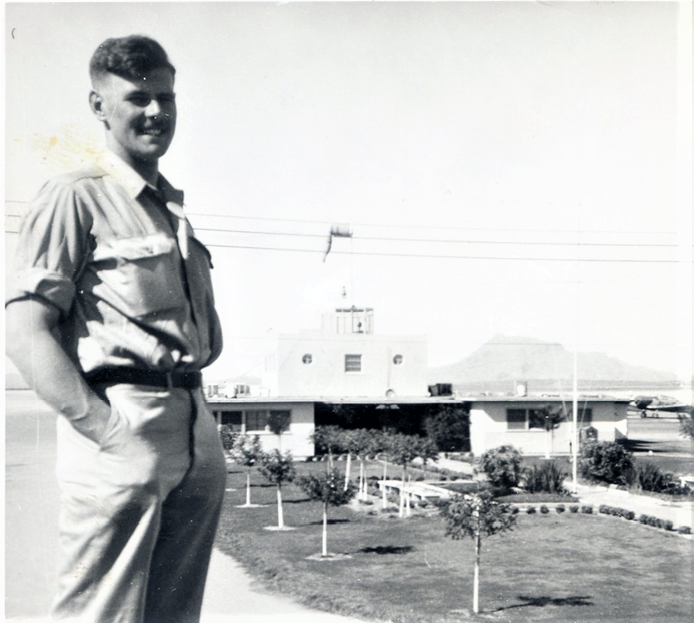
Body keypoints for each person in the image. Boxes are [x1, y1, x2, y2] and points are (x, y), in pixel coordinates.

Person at [5, 35, 227, 623]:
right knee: (100, 613)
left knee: (174, 614)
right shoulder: (75, 197)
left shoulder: (170, 208)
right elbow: (24, 331)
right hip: (124, 423)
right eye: (138, 98)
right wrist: (105, 432)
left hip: (193, 423)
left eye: (166, 98)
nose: (156, 111)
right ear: (99, 106)